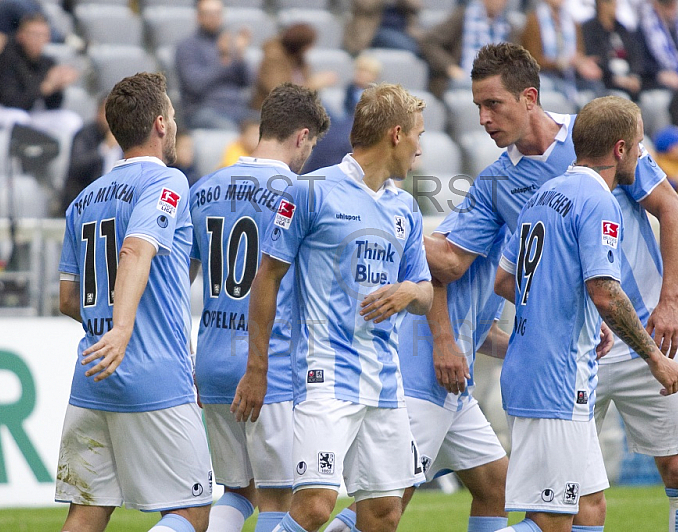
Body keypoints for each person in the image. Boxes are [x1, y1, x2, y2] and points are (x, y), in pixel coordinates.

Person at [425, 43, 678, 532]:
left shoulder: (597, 136)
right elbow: (463, 264)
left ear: (529, 98)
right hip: (576, 352)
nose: (483, 119)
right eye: (477, 107)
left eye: (492, 104)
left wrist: (670, 301)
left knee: (677, 471)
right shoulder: (496, 183)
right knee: (567, 508)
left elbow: (673, 209)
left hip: (647, 331)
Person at [236, 83, 433, 532]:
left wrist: (407, 292)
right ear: (396, 134)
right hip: (325, 371)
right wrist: (257, 367)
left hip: (385, 380)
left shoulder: (406, 208)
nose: (421, 148)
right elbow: (266, 277)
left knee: (384, 512)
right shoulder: (311, 191)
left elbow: (425, 292)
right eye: (418, 135)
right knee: (315, 507)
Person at [493, 96, 678, 532]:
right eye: (638, 145)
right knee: (551, 521)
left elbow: (506, 281)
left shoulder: (544, 192)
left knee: (590, 505)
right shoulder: (600, 202)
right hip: (555, 377)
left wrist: (571, 313)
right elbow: (605, 292)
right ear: (620, 149)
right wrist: (655, 358)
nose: (641, 153)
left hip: (545, 368)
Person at [56, 72, 212, 532]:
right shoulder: (167, 183)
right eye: (175, 117)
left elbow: (68, 298)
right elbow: (135, 249)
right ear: (161, 124)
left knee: (86, 514)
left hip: (92, 375)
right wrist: (124, 330)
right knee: (191, 512)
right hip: (154, 375)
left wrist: (107, 323)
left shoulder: (83, 200)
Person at [188, 82, 330, 532]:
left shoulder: (205, 185)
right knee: (278, 496)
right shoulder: (301, 193)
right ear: (302, 136)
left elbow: (180, 280)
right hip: (269, 365)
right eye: (311, 145)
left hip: (211, 359)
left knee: (237, 491)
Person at [324, 214, 511, 532]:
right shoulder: (483, 214)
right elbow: (433, 268)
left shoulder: (512, 239)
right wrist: (443, 342)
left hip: (456, 390)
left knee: (497, 487)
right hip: (422, 382)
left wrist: (536, 346)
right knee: (385, 503)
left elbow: (484, 334)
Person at [0, 12, 80, 134]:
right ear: (21, 35)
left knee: (70, 120)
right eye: (33, 34)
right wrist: (46, 87)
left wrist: (58, 87)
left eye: (42, 35)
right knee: (19, 119)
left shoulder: (47, 62)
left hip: (27, 114)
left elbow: (52, 107)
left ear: (48, 38)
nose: (37, 39)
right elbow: (11, 102)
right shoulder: (6, 57)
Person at [175, 0, 252, 130]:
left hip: (237, 108)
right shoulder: (187, 46)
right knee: (231, 132)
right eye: (208, 13)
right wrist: (224, 61)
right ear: (198, 16)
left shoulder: (230, 42)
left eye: (217, 13)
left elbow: (247, 81)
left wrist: (239, 55)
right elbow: (195, 85)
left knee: (269, 128)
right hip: (204, 110)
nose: (213, 17)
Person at [417, 0, 517, 98]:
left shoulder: (509, 27)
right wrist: (450, 68)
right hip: (462, 79)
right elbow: (429, 42)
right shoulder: (462, 16)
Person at [521, 0, 603, 105]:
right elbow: (531, 59)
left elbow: (579, 52)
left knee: (596, 87)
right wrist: (561, 63)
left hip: (571, 75)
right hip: (545, 75)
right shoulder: (534, 20)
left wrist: (583, 63)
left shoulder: (572, 21)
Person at [250, 23, 337, 111]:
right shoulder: (273, 59)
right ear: (302, 45)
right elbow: (279, 94)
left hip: (299, 108)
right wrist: (312, 85)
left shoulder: (300, 59)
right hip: (274, 112)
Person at [61, 94, 122, 213]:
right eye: (107, 113)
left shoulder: (127, 137)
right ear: (98, 114)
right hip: (85, 201)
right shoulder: (85, 134)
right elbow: (77, 165)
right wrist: (104, 149)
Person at [581, 0, 644, 100]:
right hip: (606, 82)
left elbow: (635, 55)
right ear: (601, 4)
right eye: (611, 3)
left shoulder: (622, 29)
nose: (615, 6)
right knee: (622, 98)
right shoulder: (589, 29)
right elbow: (594, 58)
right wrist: (613, 78)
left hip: (628, 79)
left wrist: (634, 75)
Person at [343, 0, 422, 56]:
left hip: (404, 29)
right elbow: (365, 5)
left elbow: (416, 6)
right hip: (372, 30)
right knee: (410, 49)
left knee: (422, 49)